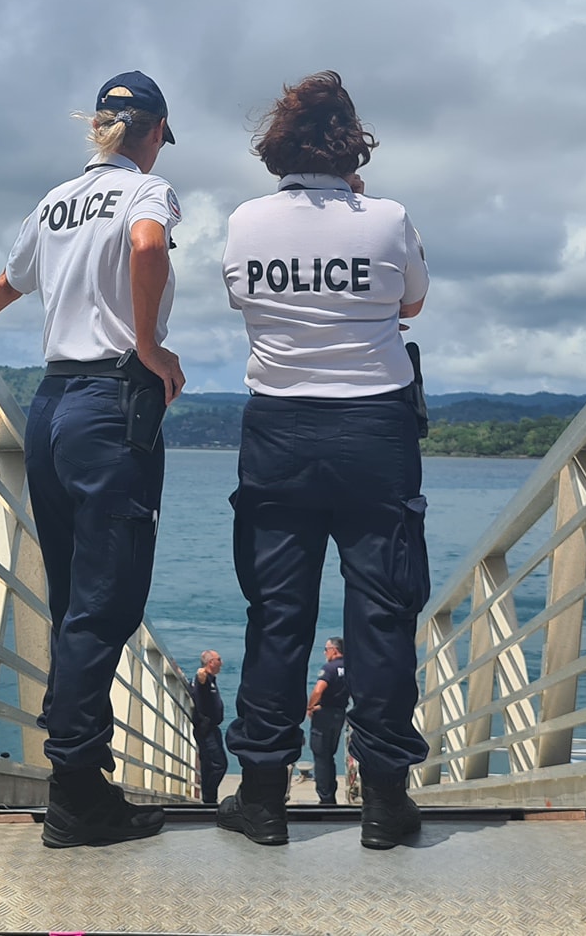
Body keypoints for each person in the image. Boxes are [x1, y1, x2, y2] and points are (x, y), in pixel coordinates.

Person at [0, 71, 185, 850]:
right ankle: (76, 790)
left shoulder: (54, 201)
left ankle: (83, 778)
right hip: (110, 408)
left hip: (51, 408)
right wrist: (148, 344)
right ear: (151, 133)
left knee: (77, 597)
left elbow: (14, 279)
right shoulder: (149, 193)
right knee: (107, 604)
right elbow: (147, 246)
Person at [214, 72, 431, 853]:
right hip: (375, 429)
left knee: (277, 615)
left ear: (277, 143)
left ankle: (264, 798)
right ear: (353, 145)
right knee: (382, 614)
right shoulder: (389, 218)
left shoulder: (245, 221)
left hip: (278, 428)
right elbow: (410, 303)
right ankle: (383, 802)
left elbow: (244, 302)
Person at [307, 637, 349, 805]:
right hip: (339, 714)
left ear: (334, 650)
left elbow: (319, 689)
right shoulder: (350, 667)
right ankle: (330, 792)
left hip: (324, 715)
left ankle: (325, 798)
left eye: (326, 649)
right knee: (329, 755)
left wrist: (310, 706)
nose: (325, 653)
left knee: (321, 756)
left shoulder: (329, 668)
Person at [193, 651, 227, 805]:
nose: (222, 662)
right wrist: (201, 672)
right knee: (219, 764)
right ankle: (209, 798)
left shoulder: (212, 679)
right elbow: (200, 679)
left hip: (213, 728)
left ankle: (209, 800)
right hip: (206, 729)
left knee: (208, 765)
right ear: (211, 662)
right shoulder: (204, 678)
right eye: (219, 659)